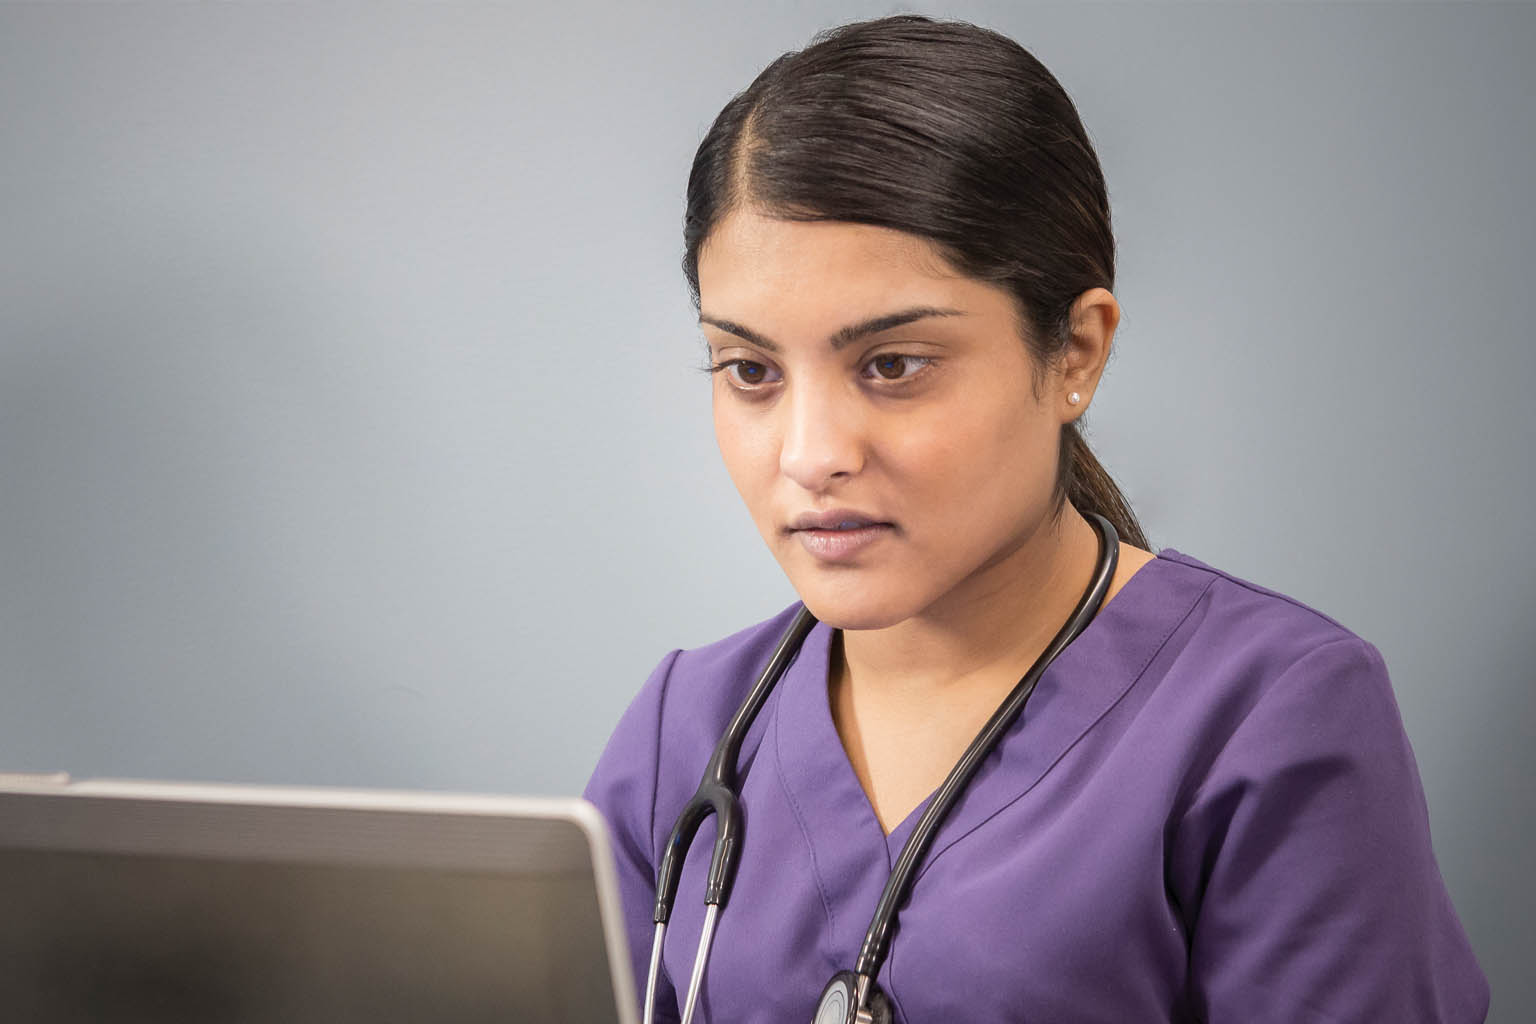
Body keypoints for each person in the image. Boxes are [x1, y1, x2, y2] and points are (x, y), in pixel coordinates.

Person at [584, 14, 1489, 1024]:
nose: (810, 452)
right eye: (750, 371)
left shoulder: (1270, 717)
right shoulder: (687, 728)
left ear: (1076, 352)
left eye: (893, 365)